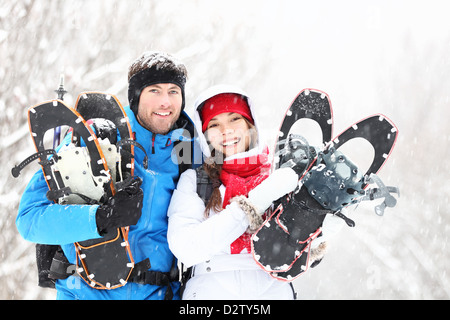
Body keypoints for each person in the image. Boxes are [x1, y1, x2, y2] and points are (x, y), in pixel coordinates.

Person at [16, 51, 199, 300]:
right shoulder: (93, 139)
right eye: (154, 91)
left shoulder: (189, 151)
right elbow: (29, 219)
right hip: (85, 293)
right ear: (135, 97)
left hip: (159, 293)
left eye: (173, 91)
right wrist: (100, 218)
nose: (165, 102)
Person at [167, 85, 302, 299]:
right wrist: (252, 205)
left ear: (250, 124)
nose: (225, 130)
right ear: (205, 135)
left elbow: (299, 253)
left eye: (234, 119)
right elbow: (185, 247)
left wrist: (322, 224)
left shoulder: (279, 176)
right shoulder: (197, 181)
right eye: (214, 124)